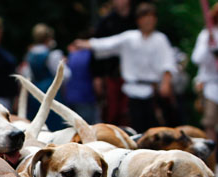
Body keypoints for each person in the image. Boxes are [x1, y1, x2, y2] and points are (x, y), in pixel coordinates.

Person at [75, 2, 176, 133]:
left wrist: (166, 83)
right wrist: (86, 43)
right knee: (131, 126)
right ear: (139, 20)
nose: (148, 22)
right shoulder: (130, 38)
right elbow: (108, 43)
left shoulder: (160, 39)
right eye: (145, 18)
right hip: (131, 90)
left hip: (152, 91)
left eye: (151, 18)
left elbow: (168, 63)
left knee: (155, 128)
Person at [92, 0, 135, 125]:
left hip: (134, 76)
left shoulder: (137, 19)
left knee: (132, 113)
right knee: (112, 112)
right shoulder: (106, 22)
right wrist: (97, 76)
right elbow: (98, 50)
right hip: (113, 75)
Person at [23, 23, 68, 130]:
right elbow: (65, 75)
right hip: (50, 90)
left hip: (35, 91)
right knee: (54, 121)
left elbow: (26, 74)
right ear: (48, 38)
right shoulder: (52, 54)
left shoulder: (30, 54)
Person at [192, 3, 218, 165]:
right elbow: (197, 59)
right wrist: (209, 46)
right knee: (209, 123)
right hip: (211, 85)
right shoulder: (207, 33)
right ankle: (212, 160)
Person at [66, 33, 98, 124]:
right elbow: (97, 81)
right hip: (86, 96)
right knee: (89, 127)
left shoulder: (72, 56)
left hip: (71, 96)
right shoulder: (90, 55)